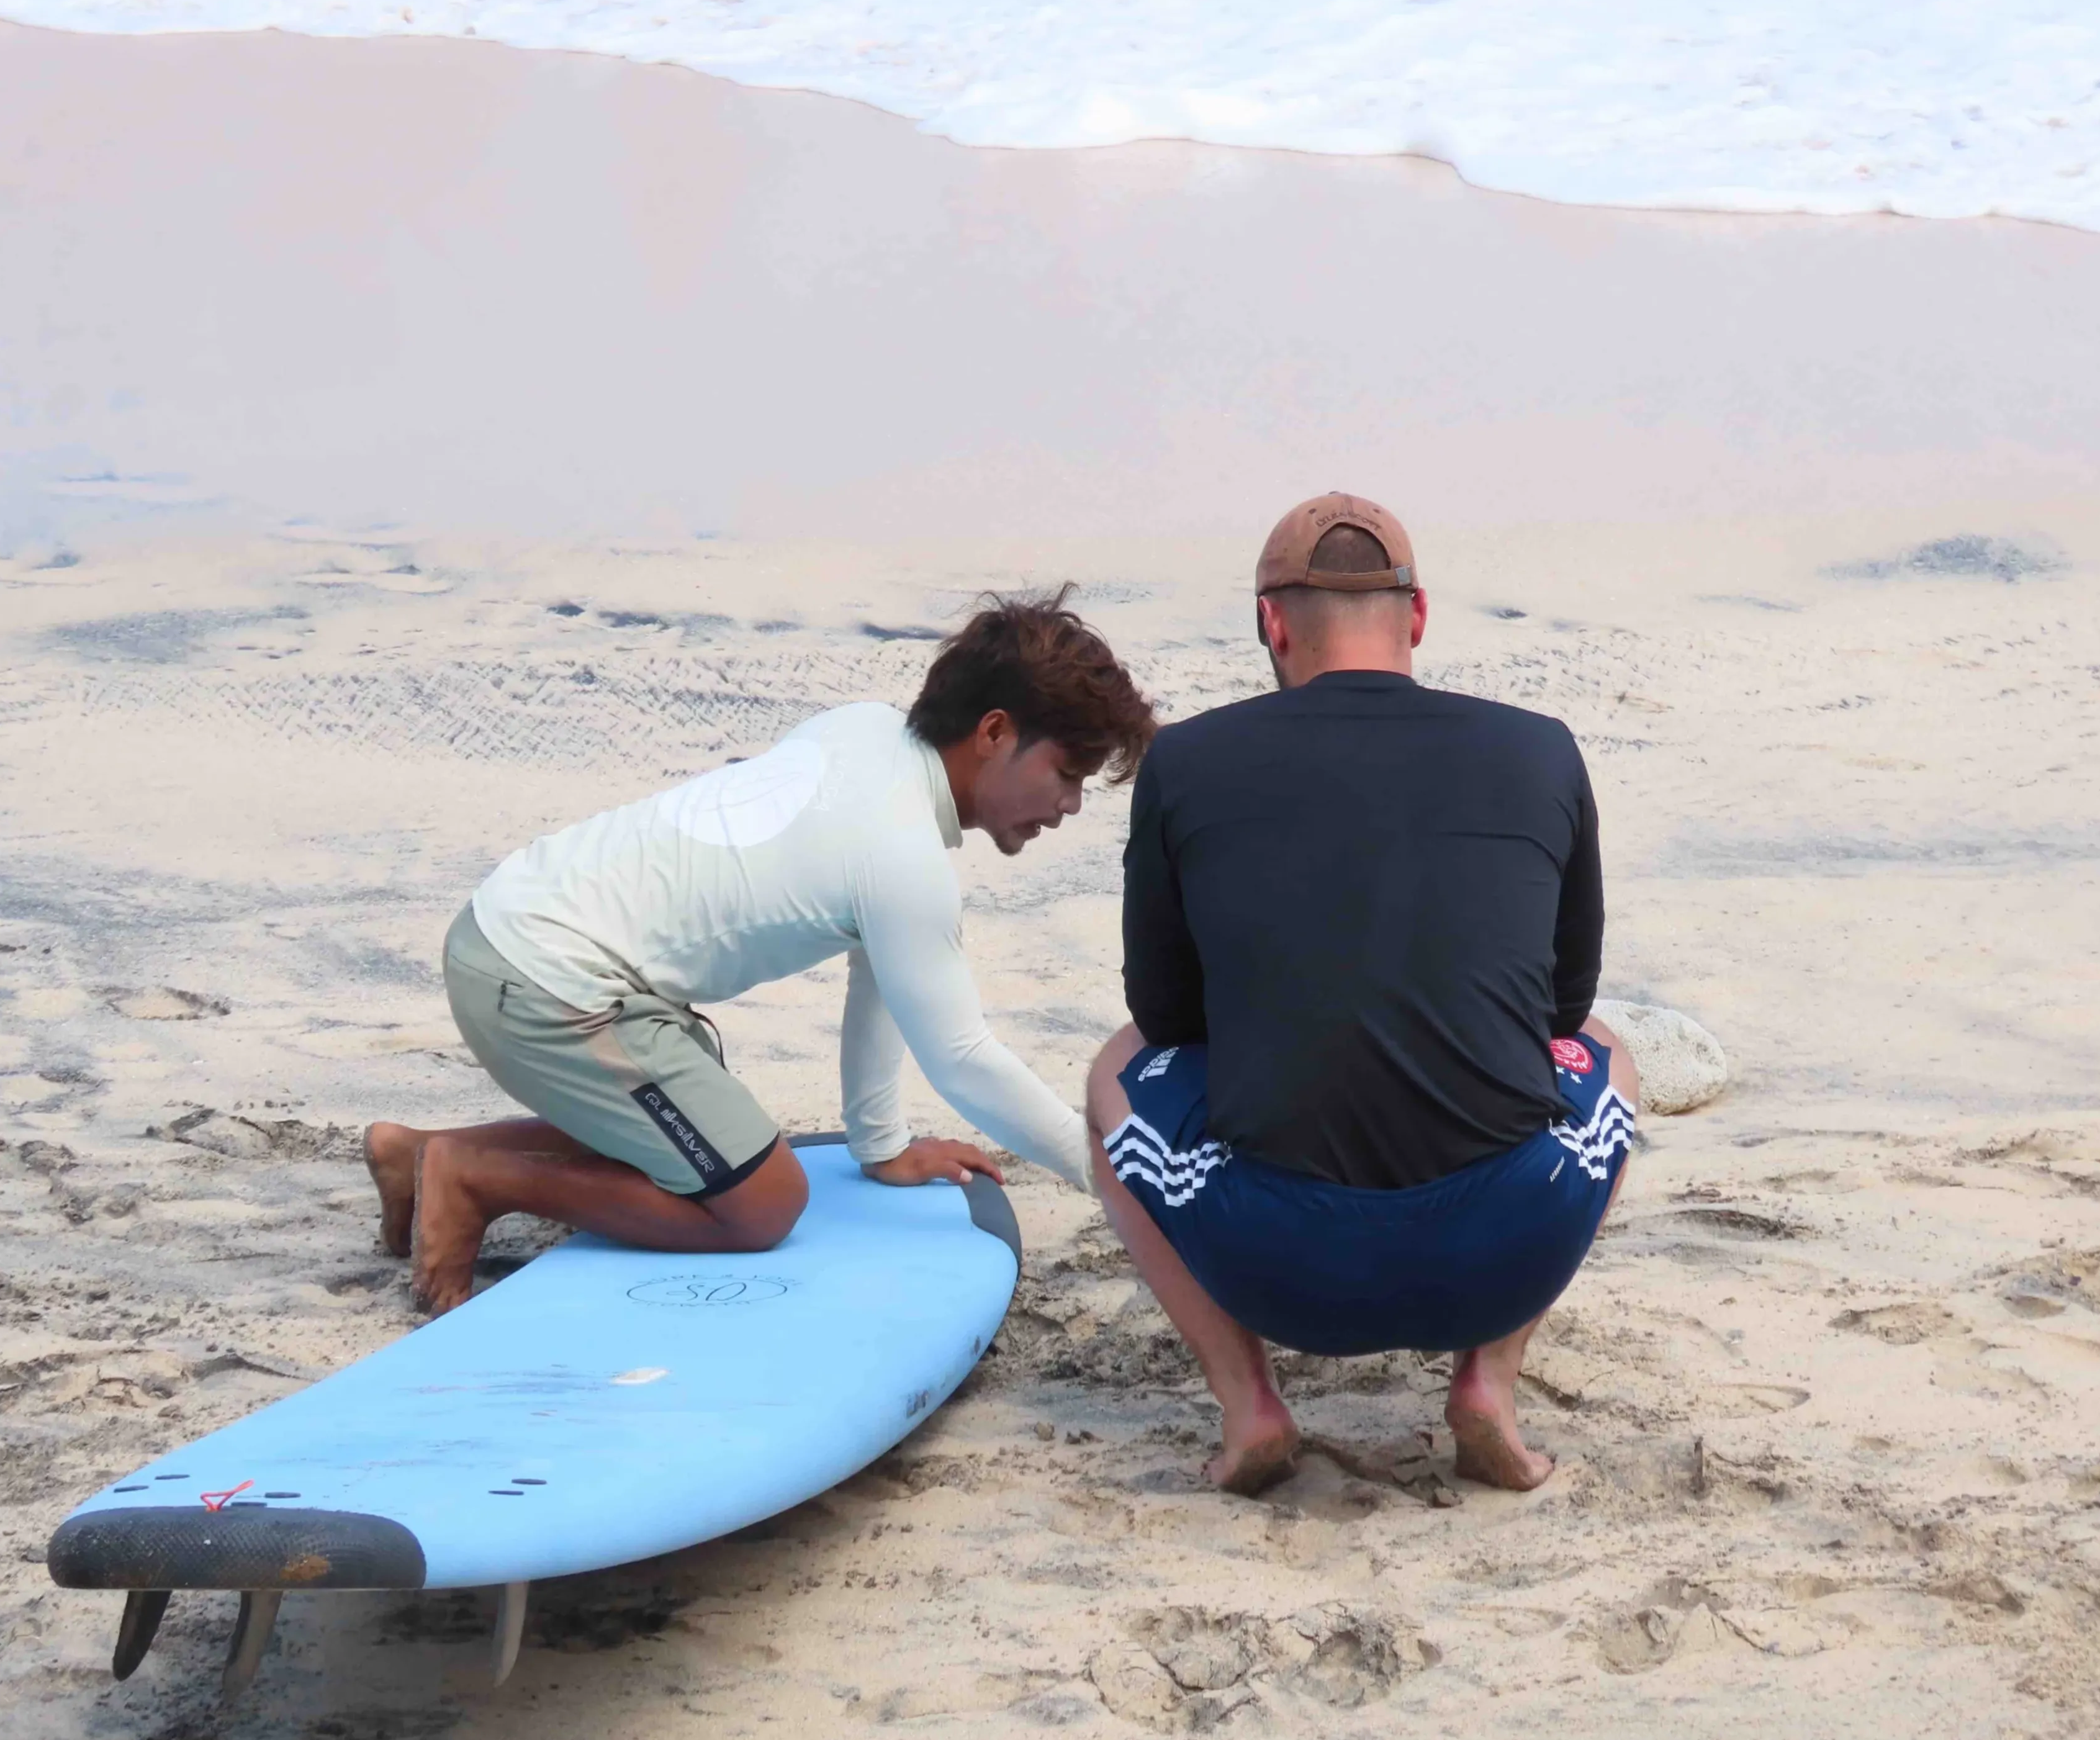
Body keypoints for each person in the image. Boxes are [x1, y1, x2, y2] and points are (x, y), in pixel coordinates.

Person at [367, 588, 1155, 1313]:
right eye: (1067, 771)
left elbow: (881, 963)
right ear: (994, 732)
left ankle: (420, 1155)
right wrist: (1111, 1182)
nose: (1071, 804)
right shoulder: (903, 857)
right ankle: (475, 1180)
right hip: (548, 985)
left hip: (509, 933)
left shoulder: (865, 730)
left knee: (708, 1133)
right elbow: (962, 1058)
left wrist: (878, 1147)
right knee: (762, 1200)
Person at [1086, 494, 1637, 1495]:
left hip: (1283, 1266)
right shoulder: (1542, 748)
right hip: (1504, 1245)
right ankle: (1489, 1381)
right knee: (1612, 1054)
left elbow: (1168, 1022)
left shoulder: (1186, 762)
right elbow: (1562, 1006)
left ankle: (1250, 1406)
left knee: (1112, 1071)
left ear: (1271, 622)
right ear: (1418, 617)